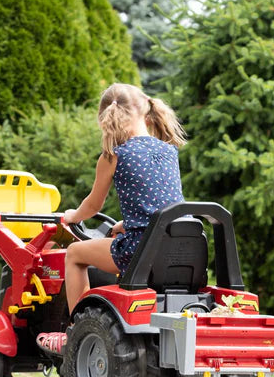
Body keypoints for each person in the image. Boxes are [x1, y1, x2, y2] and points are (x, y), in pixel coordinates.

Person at [63, 83, 186, 314]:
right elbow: (163, 203)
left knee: (74, 254)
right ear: (146, 112)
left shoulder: (113, 155)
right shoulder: (169, 151)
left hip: (140, 249)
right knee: (119, 236)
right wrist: (124, 225)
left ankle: (77, 326)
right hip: (179, 244)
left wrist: (73, 216)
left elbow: (92, 206)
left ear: (105, 118)